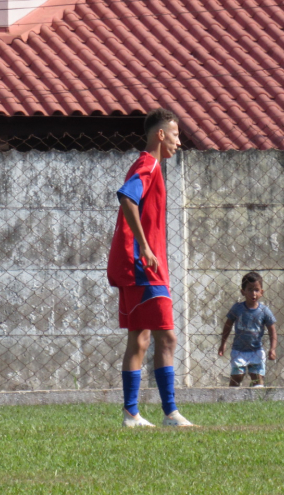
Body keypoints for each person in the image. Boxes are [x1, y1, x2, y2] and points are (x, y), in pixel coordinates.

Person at [107, 107, 194, 428]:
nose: (178, 142)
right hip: (144, 267)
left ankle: (132, 414)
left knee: (140, 338)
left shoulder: (147, 164)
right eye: (175, 134)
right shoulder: (149, 163)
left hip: (135, 266)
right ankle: (170, 412)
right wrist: (144, 246)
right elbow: (128, 198)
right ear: (161, 134)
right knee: (166, 338)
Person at [217, 272, 277, 387]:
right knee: (237, 376)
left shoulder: (264, 311)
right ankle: (231, 398)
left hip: (257, 350)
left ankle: (258, 401)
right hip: (239, 351)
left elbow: (272, 330)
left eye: (256, 290)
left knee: (257, 379)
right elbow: (227, 325)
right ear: (243, 292)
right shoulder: (237, 308)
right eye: (250, 290)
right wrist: (223, 343)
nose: (253, 294)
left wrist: (272, 349)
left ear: (261, 292)